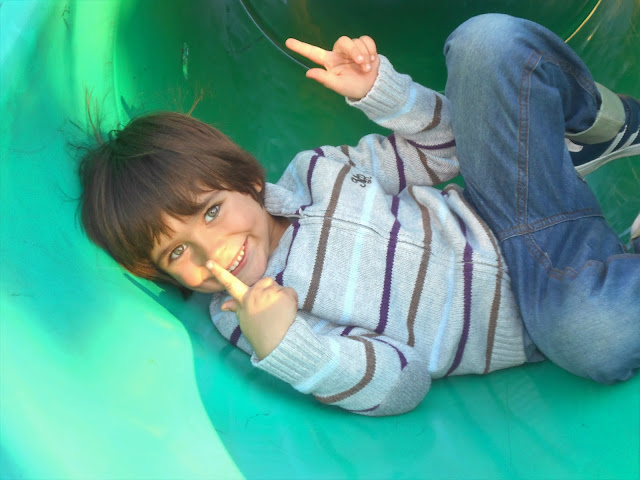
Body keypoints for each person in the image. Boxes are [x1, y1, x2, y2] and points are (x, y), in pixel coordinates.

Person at [78, 14, 640, 416]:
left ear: (247, 182)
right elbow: (404, 381)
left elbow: (447, 151)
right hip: (546, 307)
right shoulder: (257, 319)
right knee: (594, 333)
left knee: (484, 42)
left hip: (505, 203)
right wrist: (289, 348)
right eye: (176, 252)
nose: (211, 252)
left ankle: (605, 125)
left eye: (211, 212)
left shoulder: (317, 173)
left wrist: (384, 94)